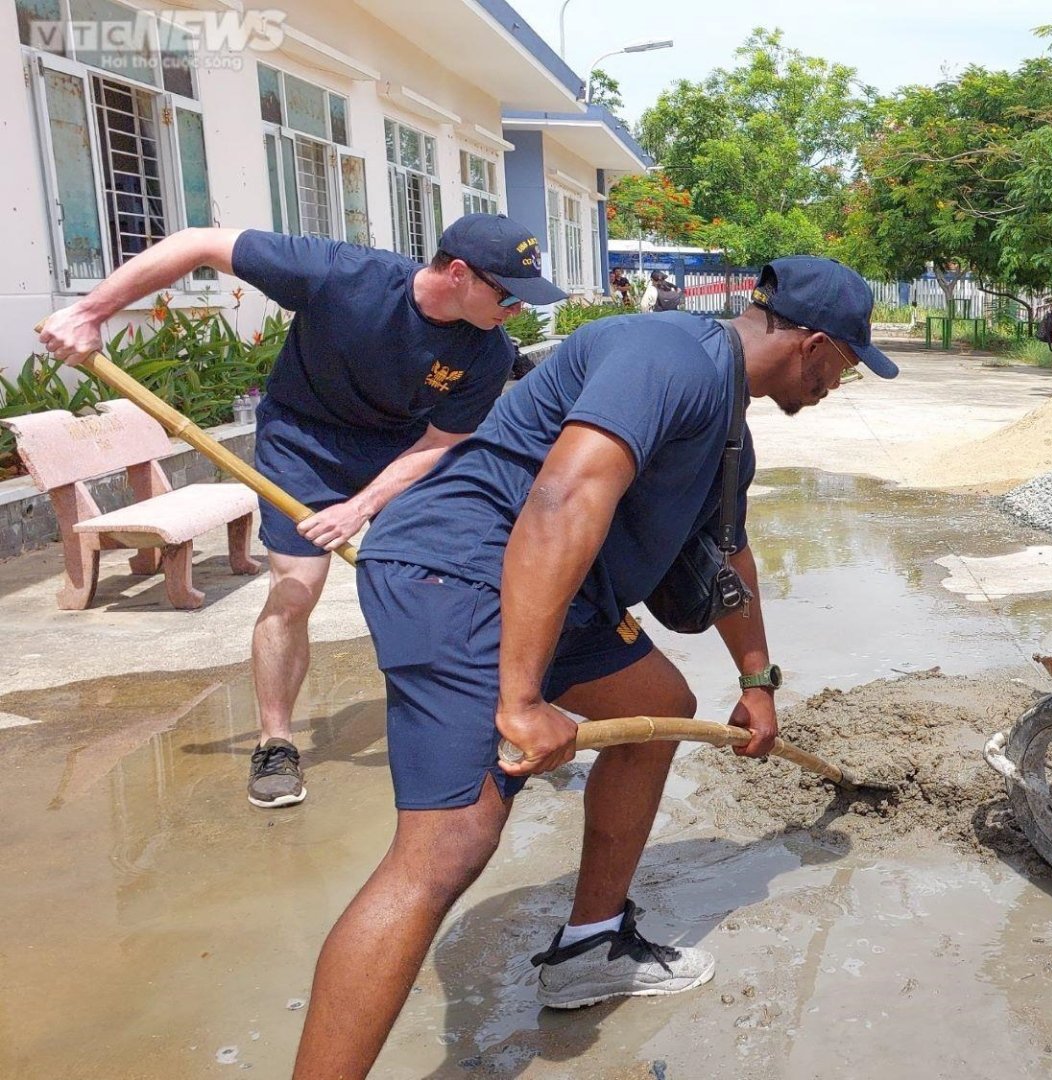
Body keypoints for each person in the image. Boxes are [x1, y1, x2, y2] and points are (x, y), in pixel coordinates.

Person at [290, 256, 897, 1075]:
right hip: (462, 571)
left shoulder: (728, 432)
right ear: (813, 346)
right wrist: (520, 699)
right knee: (447, 849)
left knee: (657, 709)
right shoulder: (665, 356)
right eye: (848, 366)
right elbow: (562, 500)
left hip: (556, 592)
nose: (840, 383)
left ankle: (590, 947)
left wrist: (757, 685)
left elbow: (729, 554)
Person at [36, 214, 551, 810]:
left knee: (448, 578)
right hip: (303, 441)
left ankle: (493, 714)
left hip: (401, 448)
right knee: (295, 590)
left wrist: (361, 506)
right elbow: (199, 243)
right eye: (508, 295)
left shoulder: (487, 352)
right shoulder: (340, 274)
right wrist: (91, 311)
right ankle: (275, 743)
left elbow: (439, 442)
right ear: (458, 273)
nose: (516, 311)